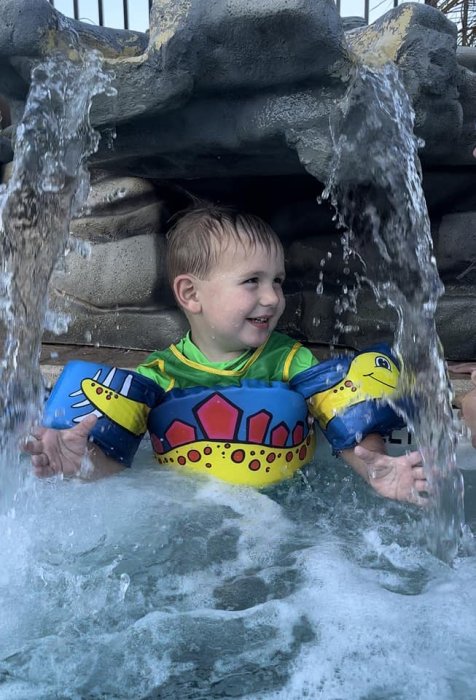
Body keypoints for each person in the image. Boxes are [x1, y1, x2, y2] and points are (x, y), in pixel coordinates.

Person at [25, 204, 427, 504]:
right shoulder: (158, 376)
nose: (272, 298)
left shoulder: (293, 363)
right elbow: (119, 464)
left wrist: (375, 468)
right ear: (190, 294)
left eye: (277, 281)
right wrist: (79, 464)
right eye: (252, 281)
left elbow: (349, 431)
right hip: (189, 508)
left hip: (287, 506)